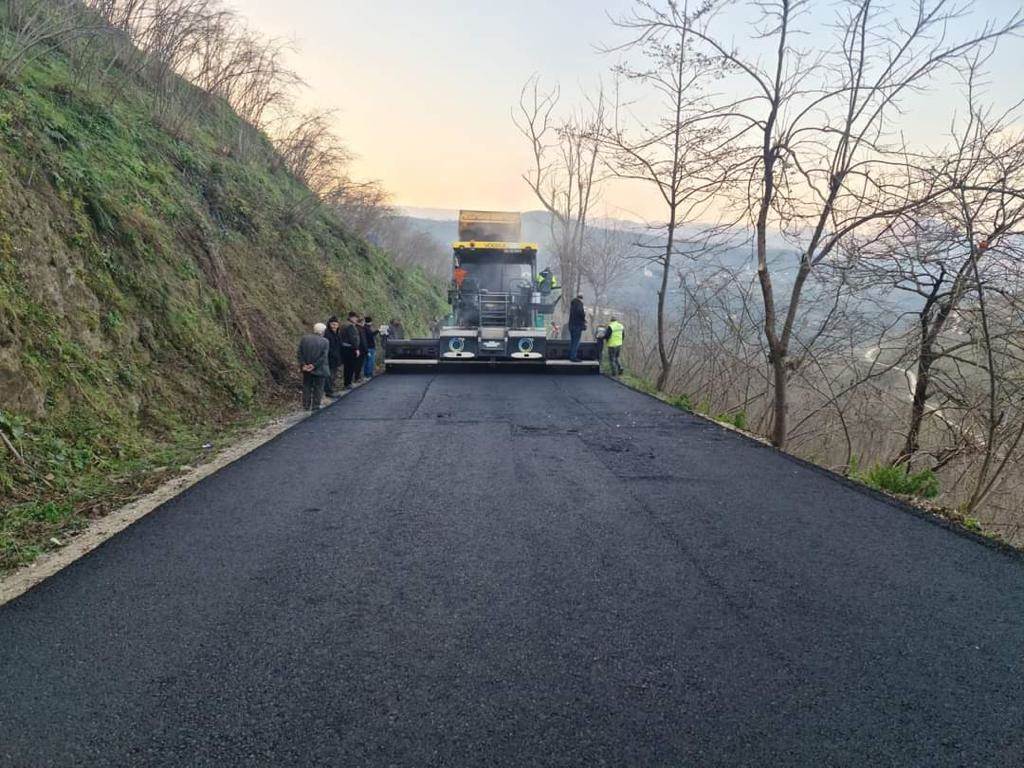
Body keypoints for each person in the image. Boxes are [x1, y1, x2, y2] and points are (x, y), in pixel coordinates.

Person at [297, 322, 330, 411]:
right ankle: (316, 405)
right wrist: (314, 365)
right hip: (319, 368)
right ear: (322, 331)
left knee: (307, 386)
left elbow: (300, 353)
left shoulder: (304, 339)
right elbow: (323, 357)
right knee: (318, 387)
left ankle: (306, 405)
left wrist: (304, 364)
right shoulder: (325, 341)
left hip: (305, 368)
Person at [323, 315, 344, 397]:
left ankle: (331, 389)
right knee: (329, 375)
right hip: (329, 358)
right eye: (332, 324)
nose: (334, 326)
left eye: (336, 324)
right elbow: (328, 347)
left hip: (336, 358)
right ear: (329, 324)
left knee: (333, 375)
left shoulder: (338, 333)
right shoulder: (327, 334)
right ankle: (329, 391)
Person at [340, 311, 362, 389]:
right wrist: (356, 348)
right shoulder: (350, 326)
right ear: (352, 317)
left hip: (345, 348)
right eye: (356, 318)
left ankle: (347, 382)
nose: (356, 319)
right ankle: (348, 383)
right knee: (350, 366)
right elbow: (353, 339)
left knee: (347, 366)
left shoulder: (343, 325)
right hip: (350, 348)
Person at [568, 294, 587, 362]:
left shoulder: (572, 304)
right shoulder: (579, 304)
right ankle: (573, 357)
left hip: (571, 325)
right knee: (576, 342)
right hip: (577, 326)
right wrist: (584, 316)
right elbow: (581, 313)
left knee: (572, 341)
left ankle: (570, 356)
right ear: (581, 298)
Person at [354, 316, 369, 382]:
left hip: (358, 349)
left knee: (357, 364)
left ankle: (357, 377)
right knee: (359, 365)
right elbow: (363, 341)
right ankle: (358, 378)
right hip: (361, 350)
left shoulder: (355, 328)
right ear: (362, 322)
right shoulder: (361, 329)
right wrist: (366, 350)